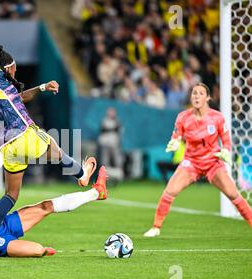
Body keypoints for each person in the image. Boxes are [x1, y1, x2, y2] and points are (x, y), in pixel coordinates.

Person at [0, 45, 97, 259]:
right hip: (22, 133)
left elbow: (19, 98)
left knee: (11, 195)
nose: (15, 71)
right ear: (7, 66)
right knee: (55, 148)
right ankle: (82, 175)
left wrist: (42, 87)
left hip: (6, 144)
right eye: (13, 67)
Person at [0, 146, 108, 260]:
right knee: (38, 250)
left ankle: (96, 192)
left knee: (45, 206)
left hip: (0, 223)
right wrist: (2, 151)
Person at [144, 83, 252, 237]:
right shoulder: (183, 117)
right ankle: (156, 227)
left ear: (207, 97)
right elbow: (176, 136)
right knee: (169, 191)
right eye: (194, 93)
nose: (196, 96)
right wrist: (174, 143)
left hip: (213, 163)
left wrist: (226, 151)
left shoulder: (217, 117)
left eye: (201, 93)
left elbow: (226, 140)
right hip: (191, 163)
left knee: (233, 194)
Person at [98, 107, 124, 181]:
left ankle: (118, 177)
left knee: (117, 161)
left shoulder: (117, 121)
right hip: (105, 143)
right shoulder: (104, 120)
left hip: (114, 144)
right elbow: (103, 129)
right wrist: (112, 129)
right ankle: (103, 178)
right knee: (104, 162)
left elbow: (118, 130)